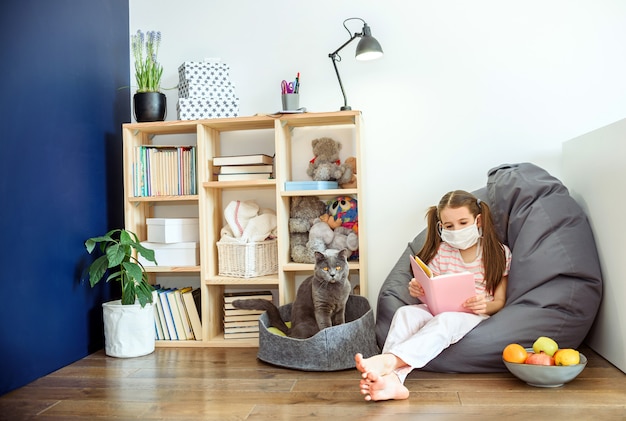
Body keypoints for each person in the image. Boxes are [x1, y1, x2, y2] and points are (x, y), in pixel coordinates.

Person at [356, 190, 512, 401]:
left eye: (463, 222)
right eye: (449, 226)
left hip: (473, 315)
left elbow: (500, 301)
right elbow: (435, 289)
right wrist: (420, 291)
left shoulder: (497, 252)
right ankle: (393, 381)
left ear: (478, 220)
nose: (456, 230)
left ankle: (389, 362)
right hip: (439, 310)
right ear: (441, 227)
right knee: (404, 313)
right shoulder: (442, 252)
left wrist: (485, 306)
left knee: (445, 321)